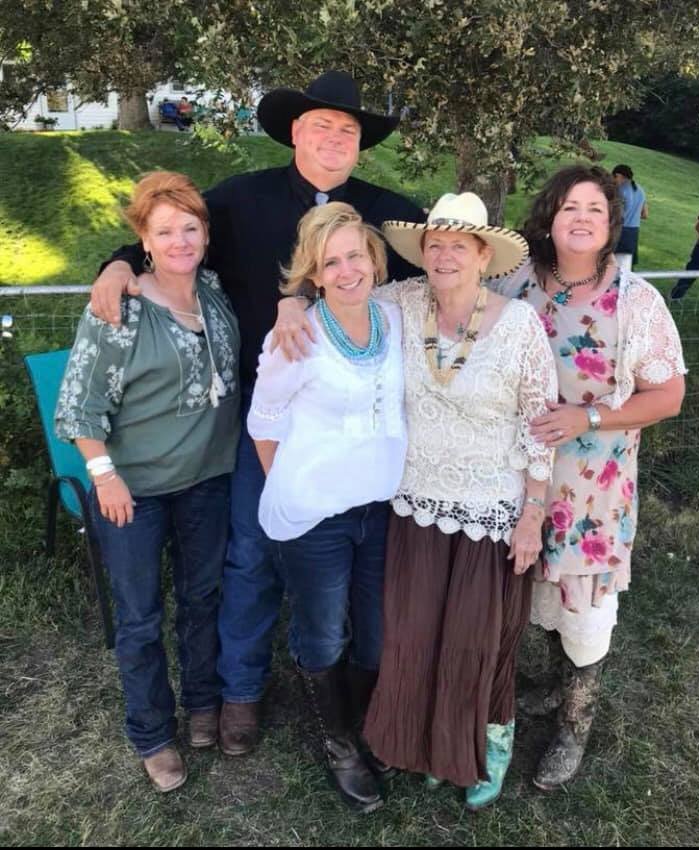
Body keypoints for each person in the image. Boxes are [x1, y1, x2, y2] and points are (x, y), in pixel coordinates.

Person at [88, 70, 425, 758]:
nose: (334, 140)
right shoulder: (242, 199)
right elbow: (172, 232)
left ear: (361, 145)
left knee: (353, 560)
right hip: (261, 416)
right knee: (249, 554)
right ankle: (240, 692)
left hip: (346, 428)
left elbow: (449, 258)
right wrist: (118, 265)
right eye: (321, 126)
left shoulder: (384, 213)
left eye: (348, 131)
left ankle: (357, 691)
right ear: (296, 133)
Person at [274, 191, 557, 808]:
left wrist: (533, 513)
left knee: (479, 639)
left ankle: (488, 744)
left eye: (459, 244)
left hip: (492, 508)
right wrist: (290, 303)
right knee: (415, 636)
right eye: (435, 244)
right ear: (420, 255)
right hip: (413, 507)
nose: (445, 254)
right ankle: (430, 743)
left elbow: (541, 426)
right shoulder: (399, 303)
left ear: (484, 255)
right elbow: (334, 290)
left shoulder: (519, 325)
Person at [496, 165, 686, 791]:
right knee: (531, 592)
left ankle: (576, 719)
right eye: (569, 206)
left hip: (593, 487)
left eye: (595, 210)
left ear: (612, 224)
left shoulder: (636, 300)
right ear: (548, 216)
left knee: (584, 605)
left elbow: (668, 396)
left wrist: (591, 415)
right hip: (517, 476)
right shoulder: (513, 282)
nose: (581, 217)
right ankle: (553, 686)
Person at [54, 171, 241, 792]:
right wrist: (104, 475)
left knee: (202, 598)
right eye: (165, 231)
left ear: (205, 235)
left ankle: (204, 703)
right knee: (139, 616)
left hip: (208, 480)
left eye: (190, 227)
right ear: (144, 240)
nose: (181, 240)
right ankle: (152, 732)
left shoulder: (214, 292)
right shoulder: (120, 308)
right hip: (132, 490)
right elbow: (78, 405)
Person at [248, 203, 407, 812]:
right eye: (329, 261)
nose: (346, 271)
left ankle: (367, 723)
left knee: (374, 633)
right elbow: (263, 423)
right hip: (316, 514)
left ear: (374, 259)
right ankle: (337, 741)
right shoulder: (296, 336)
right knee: (321, 632)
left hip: (381, 508)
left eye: (355, 256)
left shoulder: (394, 317)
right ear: (313, 274)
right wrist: (288, 484)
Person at [611, 164, 648, 271]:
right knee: (627, 266)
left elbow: (621, 214)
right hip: (634, 232)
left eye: (614, 178)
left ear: (618, 175)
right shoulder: (641, 189)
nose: (613, 181)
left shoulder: (621, 190)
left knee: (613, 264)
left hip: (621, 231)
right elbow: (645, 214)